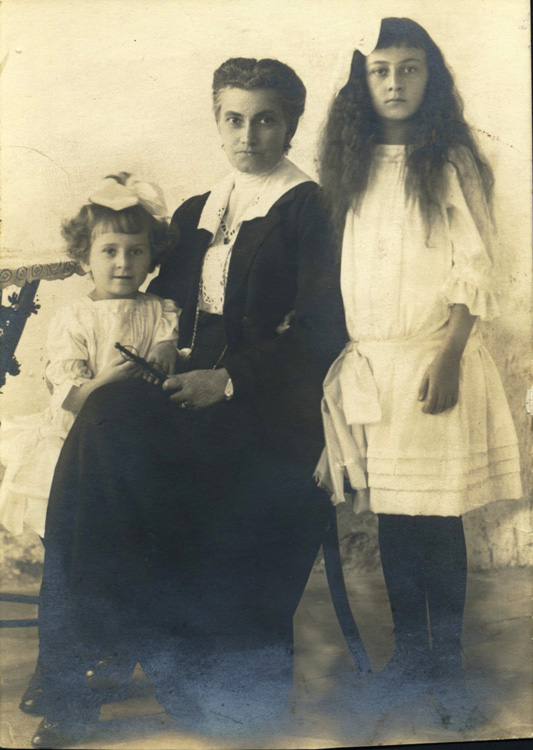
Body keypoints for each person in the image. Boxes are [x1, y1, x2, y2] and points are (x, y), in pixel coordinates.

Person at [31, 58, 344, 748]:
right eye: (233, 119)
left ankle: (122, 658)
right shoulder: (199, 208)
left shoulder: (311, 210)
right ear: (216, 122)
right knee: (102, 420)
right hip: (186, 398)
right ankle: (78, 673)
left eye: (265, 120)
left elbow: (323, 332)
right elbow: (151, 302)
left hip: (268, 410)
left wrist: (225, 380)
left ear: (291, 124)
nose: (248, 135)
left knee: (107, 436)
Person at [315, 17, 522, 728]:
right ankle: (408, 658)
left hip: (436, 361)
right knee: (396, 522)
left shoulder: (449, 159)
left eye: (409, 68)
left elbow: (473, 265)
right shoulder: (352, 163)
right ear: (362, 82)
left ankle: (448, 670)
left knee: (437, 521)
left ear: (430, 77)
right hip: (376, 368)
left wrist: (450, 356)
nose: (395, 83)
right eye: (380, 71)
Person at [0, 172, 179, 713]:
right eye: (109, 251)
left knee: (130, 550)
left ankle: (117, 654)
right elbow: (70, 396)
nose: (123, 263)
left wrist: (161, 358)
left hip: (135, 451)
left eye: (136, 251)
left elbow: (168, 363)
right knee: (71, 552)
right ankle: (55, 665)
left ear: (152, 257)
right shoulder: (74, 317)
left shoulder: (161, 311)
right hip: (74, 447)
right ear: (84, 258)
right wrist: (109, 380)